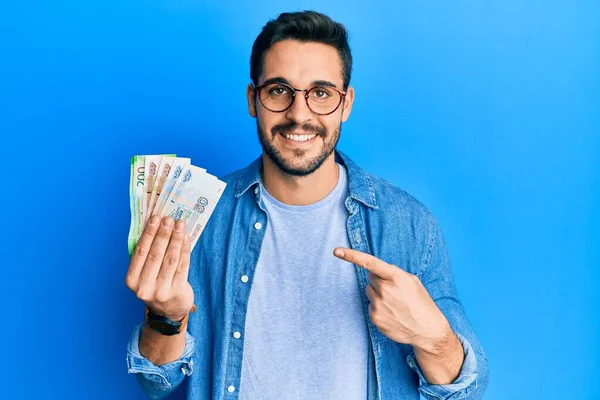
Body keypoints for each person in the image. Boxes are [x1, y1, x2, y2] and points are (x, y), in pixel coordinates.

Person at [125, 10, 489, 400]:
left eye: (321, 93)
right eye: (279, 90)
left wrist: (431, 337)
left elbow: (466, 390)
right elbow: (155, 381)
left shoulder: (409, 225)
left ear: (345, 103)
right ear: (253, 99)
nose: (300, 115)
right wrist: (166, 317)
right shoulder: (200, 218)